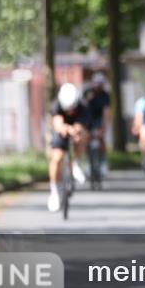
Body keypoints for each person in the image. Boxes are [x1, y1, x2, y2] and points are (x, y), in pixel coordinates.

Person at [48, 83, 89, 212]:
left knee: (82, 137)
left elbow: (81, 125)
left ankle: (76, 164)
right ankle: (54, 191)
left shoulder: (83, 106)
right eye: (67, 109)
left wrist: (76, 131)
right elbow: (57, 124)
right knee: (57, 157)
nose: (70, 111)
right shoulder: (57, 105)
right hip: (62, 129)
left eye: (72, 108)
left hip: (76, 128)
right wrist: (66, 129)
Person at [82, 72, 111, 176]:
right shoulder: (87, 92)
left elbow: (106, 111)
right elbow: (82, 108)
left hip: (99, 118)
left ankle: (103, 162)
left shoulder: (105, 95)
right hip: (88, 118)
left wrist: (104, 126)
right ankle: (88, 163)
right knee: (86, 139)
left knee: (100, 138)